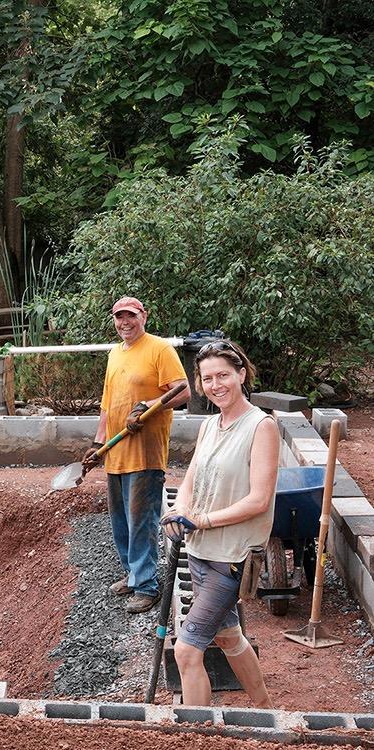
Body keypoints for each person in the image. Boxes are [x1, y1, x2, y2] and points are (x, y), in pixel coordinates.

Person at [160, 339, 277, 707]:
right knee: (228, 637)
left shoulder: (261, 427)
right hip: (199, 551)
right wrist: (180, 510)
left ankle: (197, 734)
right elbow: (190, 480)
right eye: (207, 378)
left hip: (231, 557)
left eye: (224, 375)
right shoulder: (210, 425)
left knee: (187, 651)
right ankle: (266, 708)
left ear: (241, 374)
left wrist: (202, 520)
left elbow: (259, 500)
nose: (216, 385)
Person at [83, 296, 190, 613]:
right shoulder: (116, 353)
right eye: (118, 317)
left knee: (141, 520)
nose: (124, 322)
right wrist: (97, 443)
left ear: (143, 316)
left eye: (130, 316)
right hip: (116, 453)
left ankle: (147, 586)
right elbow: (107, 404)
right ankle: (133, 575)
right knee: (121, 522)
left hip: (145, 453)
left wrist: (147, 408)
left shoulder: (159, 349)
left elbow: (183, 390)